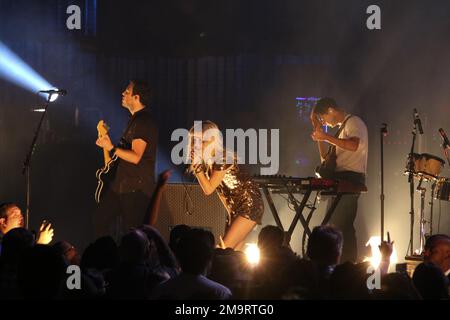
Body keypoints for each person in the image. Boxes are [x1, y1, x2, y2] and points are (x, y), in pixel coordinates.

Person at [94, 80, 158, 239]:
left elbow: (136, 157)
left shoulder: (143, 121)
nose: (123, 93)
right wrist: (105, 141)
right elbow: (111, 164)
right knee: (98, 222)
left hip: (136, 189)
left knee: (135, 236)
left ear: (136, 97)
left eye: (127, 92)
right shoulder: (133, 120)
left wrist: (111, 147)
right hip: (121, 186)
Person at [187, 120, 264, 250]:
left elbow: (208, 189)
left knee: (223, 249)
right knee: (234, 252)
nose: (197, 146)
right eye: (194, 141)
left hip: (249, 205)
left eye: (202, 141)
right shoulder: (209, 164)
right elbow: (221, 193)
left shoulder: (222, 158)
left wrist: (197, 168)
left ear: (212, 141)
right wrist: (230, 215)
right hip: (236, 208)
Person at [310, 97, 368, 262]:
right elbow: (324, 158)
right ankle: (340, 264)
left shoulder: (353, 122)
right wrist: (319, 133)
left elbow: (353, 145)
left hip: (350, 180)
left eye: (323, 118)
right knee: (335, 226)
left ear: (330, 110)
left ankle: (347, 265)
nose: (324, 122)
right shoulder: (341, 130)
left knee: (343, 226)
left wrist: (326, 137)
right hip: (339, 181)